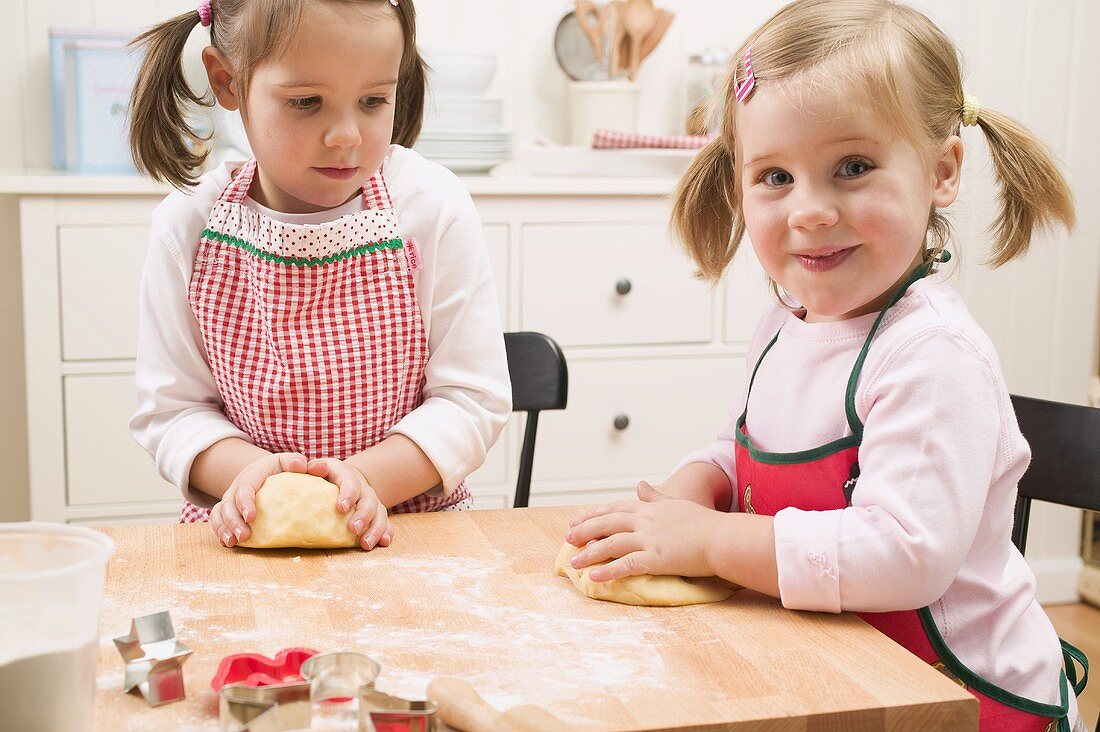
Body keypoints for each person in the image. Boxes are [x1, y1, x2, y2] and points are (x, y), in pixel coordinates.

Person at [565, 1, 1088, 729]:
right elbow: (747, 443)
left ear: (941, 171)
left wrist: (714, 543)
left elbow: (904, 555)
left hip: (962, 704)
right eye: (774, 177)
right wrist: (694, 490)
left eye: (852, 167)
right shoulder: (786, 322)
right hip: (843, 671)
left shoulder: (932, 356)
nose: (808, 210)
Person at [127, 0, 510, 551]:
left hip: (412, 535)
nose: (345, 135)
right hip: (248, 535)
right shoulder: (186, 225)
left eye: (374, 100)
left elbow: (473, 400)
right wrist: (259, 481)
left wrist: (364, 485)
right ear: (227, 81)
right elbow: (172, 412)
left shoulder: (430, 208)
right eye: (307, 102)